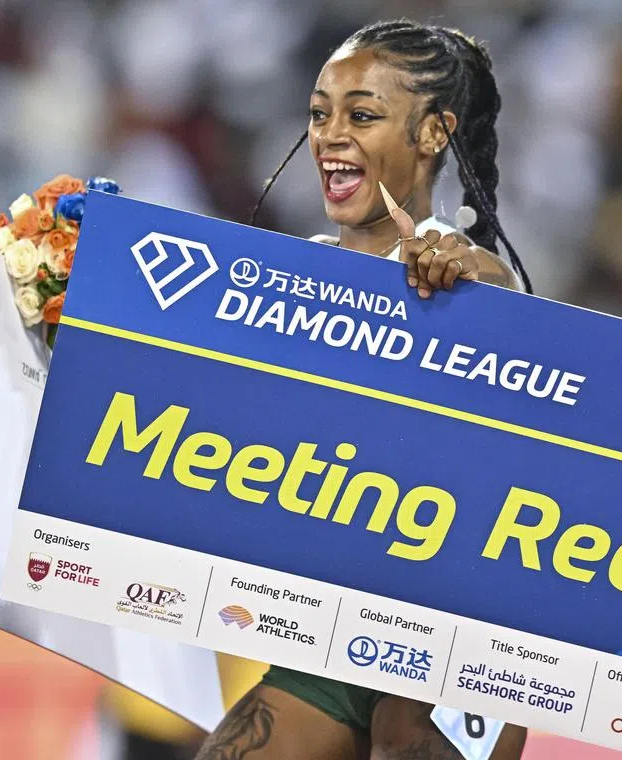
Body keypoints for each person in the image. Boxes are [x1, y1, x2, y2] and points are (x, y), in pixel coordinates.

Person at [194, 18, 532, 760]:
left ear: (434, 132)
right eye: (320, 114)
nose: (330, 135)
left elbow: (513, 346)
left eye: (363, 114)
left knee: (402, 740)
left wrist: (471, 282)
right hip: (336, 634)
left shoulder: (466, 276)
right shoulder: (286, 286)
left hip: (454, 644)